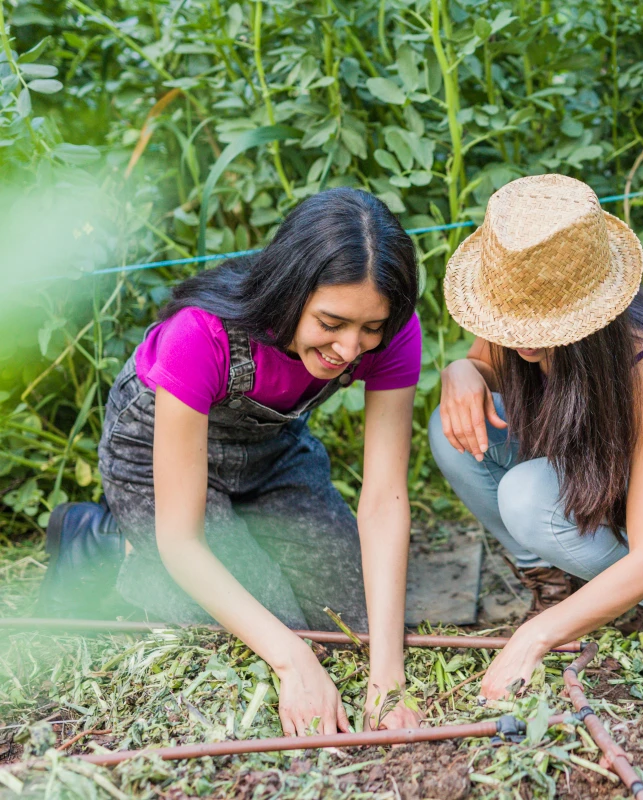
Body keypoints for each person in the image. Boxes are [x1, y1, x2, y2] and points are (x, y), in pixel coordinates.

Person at [39, 188, 423, 734]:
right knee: (273, 628)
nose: (348, 349)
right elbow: (183, 541)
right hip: (154, 452)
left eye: (370, 328)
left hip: (271, 452)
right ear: (292, 292)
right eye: (331, 323)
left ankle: (236, 529)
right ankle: (101, 541)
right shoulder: (200, 335)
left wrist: (390, 679)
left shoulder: (394, 334)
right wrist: (292, 660)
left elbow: (384, 499)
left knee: (356, 622)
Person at [431, 174, 643, 700]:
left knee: (529, 496)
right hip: (611, 468)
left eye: (543, 323)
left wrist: (534, 640)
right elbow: (479, 367)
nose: (522, 340)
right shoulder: (512, 303)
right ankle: (554, 587)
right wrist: (459, 374)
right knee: (454, 434)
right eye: (514, 321)